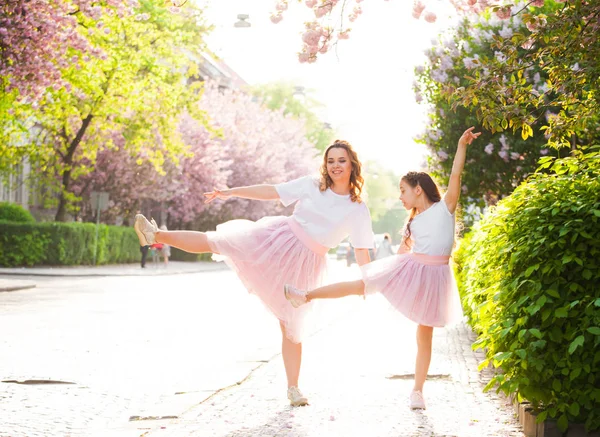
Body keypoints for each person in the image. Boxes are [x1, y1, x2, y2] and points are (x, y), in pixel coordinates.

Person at [133, 140, 374, 406]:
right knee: (218, 241)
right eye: (330, 161)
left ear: (352, 163)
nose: (335, 166)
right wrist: (232, 191)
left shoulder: (357, 208)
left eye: (341, 160)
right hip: (277, 239)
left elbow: (362, 250)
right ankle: (155, 235)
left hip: (306, 263)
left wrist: (368, 280)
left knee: (291, 326)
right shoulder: (312, 184)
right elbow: (271, 191)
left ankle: (293, 388)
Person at [284, 127, 481, 410]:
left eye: (403, 191)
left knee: (424, 335)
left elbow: (455, 176)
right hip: (411, 268)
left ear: (418, 189)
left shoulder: (445, 208)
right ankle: (305, 295)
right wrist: (382, 274)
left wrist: (462, 145)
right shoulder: (413, 223)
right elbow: (403, 253)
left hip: (435, 278)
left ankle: (417, 391)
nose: (400, 197)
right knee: (361, 283)